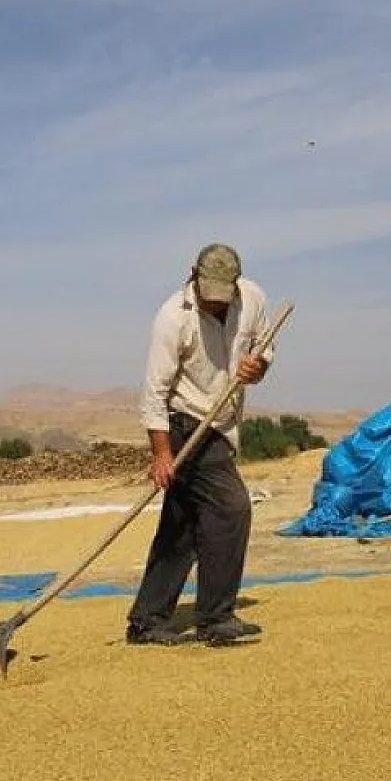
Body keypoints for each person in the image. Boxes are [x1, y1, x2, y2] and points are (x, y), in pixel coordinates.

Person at [127, 244, 273, 647]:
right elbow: (154, 393)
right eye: (208, 295)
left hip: (221, 424)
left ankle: (146, 621)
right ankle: (216, 619)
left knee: (184, 526)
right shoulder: (173, 317)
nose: (215, 304)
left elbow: (263, 349)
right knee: (231, 508)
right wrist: (161, 454)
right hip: (184, 424)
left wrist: (257, 368)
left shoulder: (254, 299)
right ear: (192, 276)